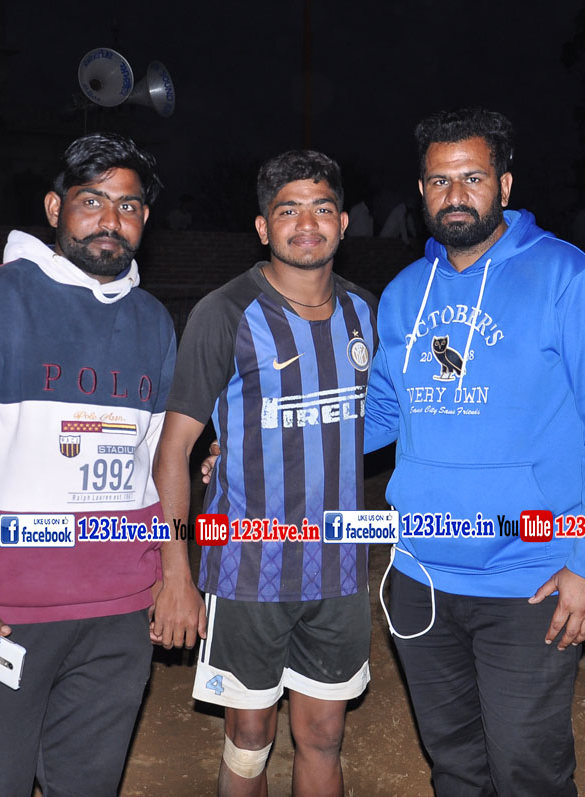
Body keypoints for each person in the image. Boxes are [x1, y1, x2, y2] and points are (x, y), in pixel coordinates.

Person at [0, 133, 201, 796]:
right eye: (92, 201)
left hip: (120, 615)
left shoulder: (153, 322)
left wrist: (172, 572)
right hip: (4, 613)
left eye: (128, 206)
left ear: (145, 219)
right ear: (55, 208)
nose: (111, 220)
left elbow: (156, 464)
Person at [363, 108, 585, 795]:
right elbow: (380, 417)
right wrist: (256, 444)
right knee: (455, 765)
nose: (455, 194)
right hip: (421, 576)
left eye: (473, 177)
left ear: (505, 185)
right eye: (439, 180)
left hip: (530, 579)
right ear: (421, 191)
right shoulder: (402, 296)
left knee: (528, 770)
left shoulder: (567, 277)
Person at [154, 150, 378, 797]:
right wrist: (176, 573)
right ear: (262, 227)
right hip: (247, 570)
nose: (307, 224)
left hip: (339, 569)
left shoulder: (367, 314)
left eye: (322, 209)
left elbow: (389, 422)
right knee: (250, 737)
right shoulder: (225, 312)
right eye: (288, 211)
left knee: (324, 735)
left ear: (342, 223)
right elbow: (173, 451)